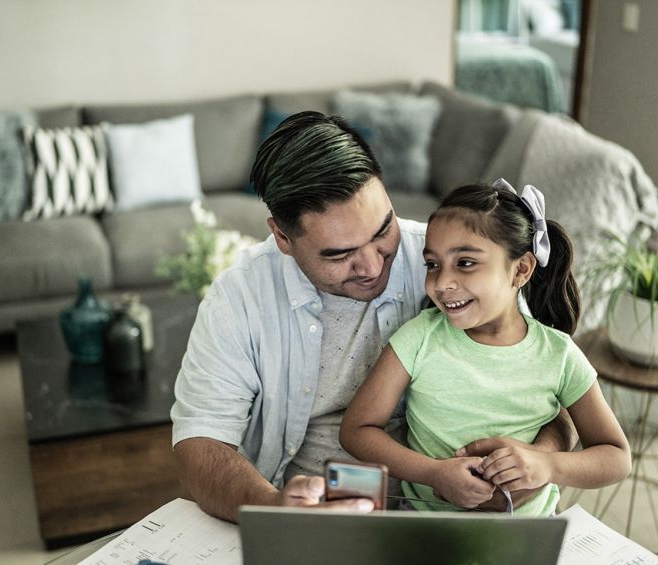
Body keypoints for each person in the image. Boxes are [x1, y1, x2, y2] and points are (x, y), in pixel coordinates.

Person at [170, 112, 575, 522]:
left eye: (383, 231)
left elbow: (553, 398)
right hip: (304, 511)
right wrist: (272, 506)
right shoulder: (239, 297)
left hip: (448, 516)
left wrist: (536, 464)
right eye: (339, 254)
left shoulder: (456, 264)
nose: (371, 266)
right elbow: (199, 444)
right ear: (283, 238)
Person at [340, 180, 632, 515]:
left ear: (520, 269)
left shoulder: (559, 354)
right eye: (432, 264)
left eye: (465, 263)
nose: (442, 282)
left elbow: (616, 456)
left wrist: (547, 465)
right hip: (425, 525)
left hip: (527, 533)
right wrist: (433, 473)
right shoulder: (419, 337)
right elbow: (357, 430)